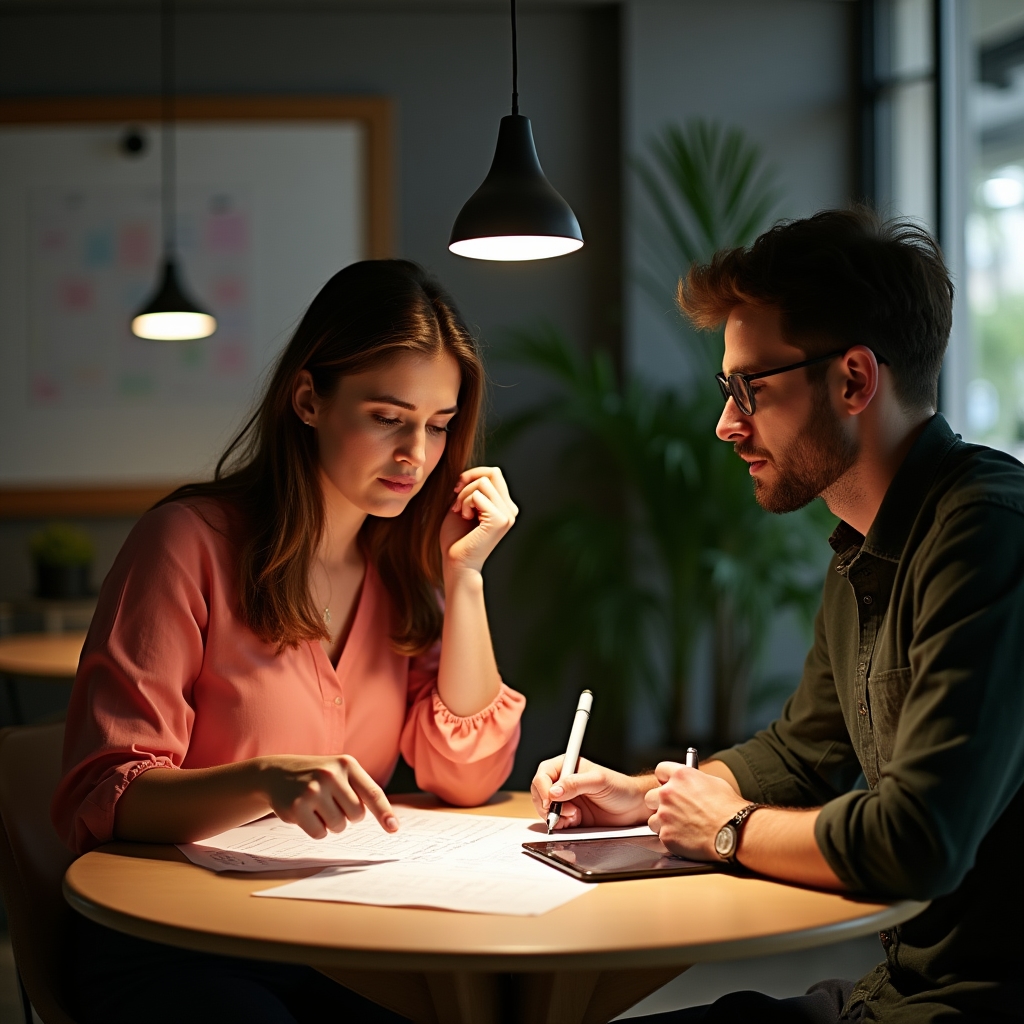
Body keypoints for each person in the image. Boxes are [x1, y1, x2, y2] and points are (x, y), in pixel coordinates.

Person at [532, 210, 1023, 1023]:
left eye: (748, 389)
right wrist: (656, 799)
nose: (726, 423)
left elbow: (919, 842)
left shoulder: (987, 534)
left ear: (854, 381)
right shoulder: (864, 546)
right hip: (889, 996)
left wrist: (727, 827)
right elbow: (803, 752)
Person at [53, 259, 525, 1023]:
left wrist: (464, 577)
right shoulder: (187, 544)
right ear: (309, 399)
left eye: (438, 426)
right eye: (386, 417)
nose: (417, 454)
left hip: (334, 937)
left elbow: (465, 777)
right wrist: (264, 780)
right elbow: (105, 796)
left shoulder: (403, 570)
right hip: (177, 943)